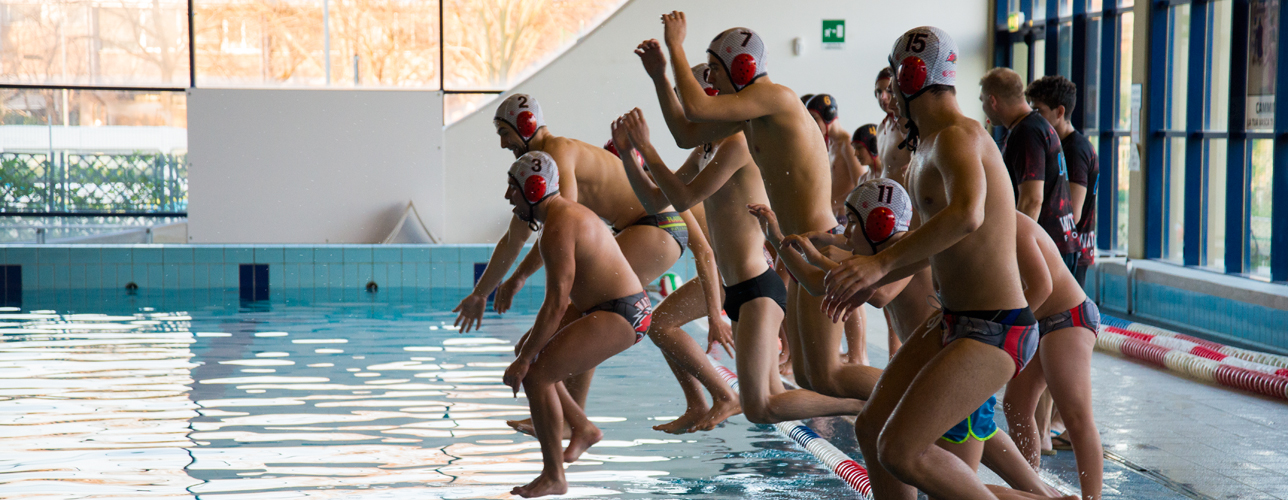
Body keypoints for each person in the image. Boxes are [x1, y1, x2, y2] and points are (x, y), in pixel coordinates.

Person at [825, 27, 1043, 499]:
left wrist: (879, 266)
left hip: (994, 326)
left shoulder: (958, 138)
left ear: (910, 77)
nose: (889, 97)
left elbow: (967, 215)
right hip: (952, 319)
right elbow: (936, 244)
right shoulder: (926, 146)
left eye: (893, 84)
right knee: (872, 429)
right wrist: (876, 278)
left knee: (902, 450)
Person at [758, 179, 1065, 499]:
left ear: (879, 225)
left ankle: (1047, 497)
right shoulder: (879, 246)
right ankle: (1044, 493)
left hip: (958, 365)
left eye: (850, 223)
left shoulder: (902, 253)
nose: (844, 232)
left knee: (951, 488)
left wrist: (804, 248)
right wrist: (784, 240)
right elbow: (819, 273)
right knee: (927, 470)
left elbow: (876, 293)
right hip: (937, 367)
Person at [620, 52, 865, 426]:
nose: (687, 112)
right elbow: (657, 198)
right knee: (768, 401)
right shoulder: (709, 148)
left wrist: (648, 147)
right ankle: (860, 407)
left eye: (691, 103)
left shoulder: (737, 142)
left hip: (755, 287)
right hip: (734, 285)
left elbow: (685, 197)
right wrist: (628, 156)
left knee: (763, 405)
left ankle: (863, 406)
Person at [658, 11, 880, 400]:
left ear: (741, 67)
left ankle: (910, 402)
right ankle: (896, 409)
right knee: (812, 379)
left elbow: (695, 109)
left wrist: (675, 46)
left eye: (713, 70)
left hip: (818, 244)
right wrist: (660, 74)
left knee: (827, 375)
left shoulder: (776, 98)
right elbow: (684, 132)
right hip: (792, 250)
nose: (709, 81)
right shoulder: (751, 117)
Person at [454, 93, 691, 436]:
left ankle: (571, 420)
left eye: (504, 133)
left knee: (588, 315)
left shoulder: (558, 154)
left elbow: (561, 229)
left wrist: (519, 278)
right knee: (578, 320)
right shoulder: (537, 168)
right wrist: (480, 294)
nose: (503, 143)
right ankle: (568, 417)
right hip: (643, 228)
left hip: (655, 227)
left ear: (525, 126)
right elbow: (512, 240)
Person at [499, 152, 654, 498]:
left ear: (535, 188)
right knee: (527, 349)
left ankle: (554, 476)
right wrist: (526, 352)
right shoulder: (561, 216)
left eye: (512, 188)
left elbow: (556, 304)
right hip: (620, 307)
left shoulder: (558, 226)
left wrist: (525, 360)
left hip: (620, 312)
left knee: (536, 375)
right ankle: (582, 427)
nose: (507, 197)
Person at [604, 110, 741, 434]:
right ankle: (697, 404)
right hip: (729, 265)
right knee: (661, 324)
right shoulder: (641, 199)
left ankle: (724, 396)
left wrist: (713, 316)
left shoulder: (662, 195)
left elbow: (705, 253)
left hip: (736, 267)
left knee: (662, 324)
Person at [1000, 211, 1104, 500]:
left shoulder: (1015, 225)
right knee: (1016, 406)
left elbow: (1042, 286)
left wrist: (1005, 329)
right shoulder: (986, 225)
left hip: (1068, 317)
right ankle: (1029, 487)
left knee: (1076, 415)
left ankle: (1092, 498)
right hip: (1039, 320)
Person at [980, 68, 1080, 273]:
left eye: (982, 100)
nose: (982, 107)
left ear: (993, 101)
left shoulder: (1027, 132)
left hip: (1045, 247)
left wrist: (1012, 249)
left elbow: (1032, 200)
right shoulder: (1035, 125)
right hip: (1056, 242)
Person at [804, 92, 872, 366]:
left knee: (851, 287)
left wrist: (835, 203)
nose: (812, 124)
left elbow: (861, 183)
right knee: (842, 285)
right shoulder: (829, 144)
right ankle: (852, 351)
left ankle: (858, 353)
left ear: (827, 118)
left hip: (846, 221)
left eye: (815, 119)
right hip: (835, 219)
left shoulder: (845, 143)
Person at [1025, 75, 1098, 286]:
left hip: (1068, 252)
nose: (1034, 117)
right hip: (1066, 250)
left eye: (1039, 111)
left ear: (1060, 112)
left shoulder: (1075, 151)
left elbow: (1071, 214)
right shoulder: (1060, 146)